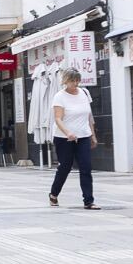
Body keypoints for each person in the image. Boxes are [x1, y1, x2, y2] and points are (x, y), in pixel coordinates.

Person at [47, 68, 101, 210]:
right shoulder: (60, 96)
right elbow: (58, 118)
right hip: (63, 137)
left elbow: (89, 116)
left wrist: (93, 135)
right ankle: (53, 194)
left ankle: (88, 201)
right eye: (72, 80)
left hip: (83, 135)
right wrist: (68, 133)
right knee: (65, 167)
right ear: (65, 81)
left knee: (86, 167)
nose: (75, 83)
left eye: (77, 80)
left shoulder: (84, 93)